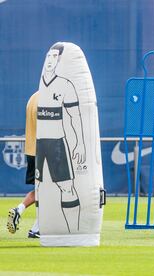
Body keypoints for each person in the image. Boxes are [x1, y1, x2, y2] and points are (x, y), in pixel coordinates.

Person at [36, 43, 86, 233]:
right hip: (40, 143)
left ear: (59, 61)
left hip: (57, 143)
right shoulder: (40, 84)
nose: (50, 60)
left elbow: (76, 116)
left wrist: (80, 143)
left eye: (54, 56)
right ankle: (39, 227)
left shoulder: (65, 85)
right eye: (48, 55)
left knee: (66, 187)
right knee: (39, 188)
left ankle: (74, 232)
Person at [7, 91, 40, 238]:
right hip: (45, 151)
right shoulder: (49, 97)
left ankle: (20, 210)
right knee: (52, 190)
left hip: (31, 150)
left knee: (41, 189)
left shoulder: (33, 97)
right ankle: (37, 228)